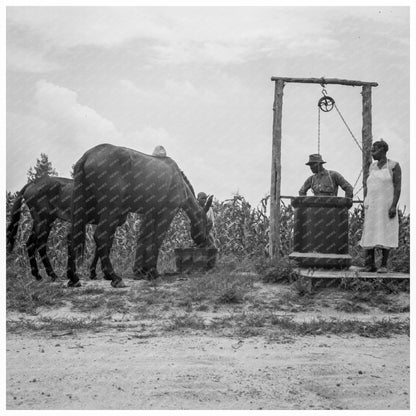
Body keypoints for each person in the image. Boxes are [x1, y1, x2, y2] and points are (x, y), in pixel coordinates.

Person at [359, 140, 401, 272]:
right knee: (370, 232)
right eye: (371, 150)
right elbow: (367, 186)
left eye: (374, 150)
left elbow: (397, 187)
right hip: (372, 206)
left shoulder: (393, 166)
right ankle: (370, 265)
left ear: (383, 150)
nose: (372, 152)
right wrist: (366, 201)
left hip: (386, 205)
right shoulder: (372, 167)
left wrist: (393, 205)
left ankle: (383, 265)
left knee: (386, 231)